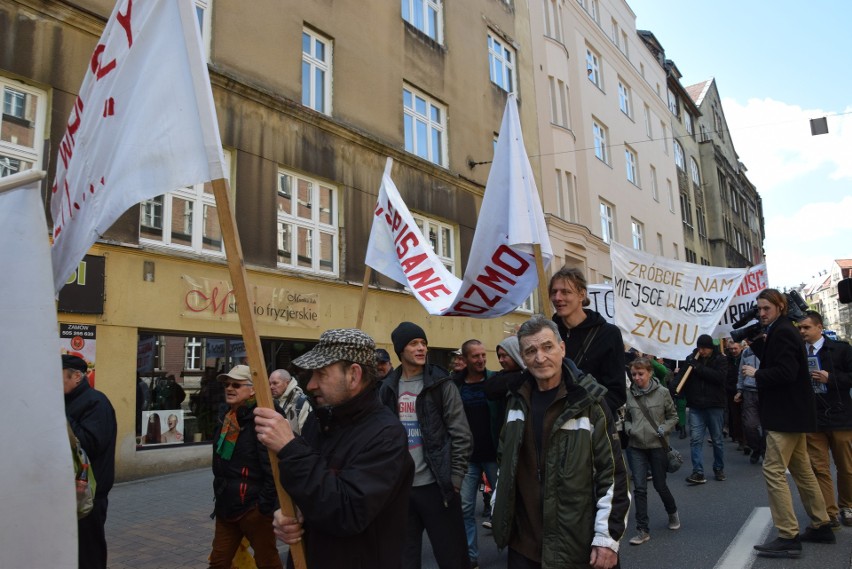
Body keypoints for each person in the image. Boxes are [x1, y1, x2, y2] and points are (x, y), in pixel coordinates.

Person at [254, 328, 414, 569]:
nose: (311, 384)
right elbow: (308, 486)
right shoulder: (324, 421)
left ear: (353, 375)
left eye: (321, 374)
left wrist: (290, 447)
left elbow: (347, 511)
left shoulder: (386, 435)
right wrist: (289, 511)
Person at [491, 316, 630, 569]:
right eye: (531, 351)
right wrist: (497, 509)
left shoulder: (589, 402)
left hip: (576, 546)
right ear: (523, 357)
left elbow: (613, 476)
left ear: (562, 348)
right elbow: (504, 464)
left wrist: (606, 538)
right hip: (524, 547)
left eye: (547, 347)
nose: (540, 358)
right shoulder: (515, 401)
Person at [743, 289, 834, 558]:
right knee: (802, 470)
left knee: (773, 471)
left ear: (780, 306)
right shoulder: (783, 329)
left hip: (785, 415)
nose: (761, 313)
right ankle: (821, 524)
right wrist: (756, 342)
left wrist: (757, 373)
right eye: (759, 309)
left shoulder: (782, 331)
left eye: (765, 309)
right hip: (794, 414)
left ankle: (787, 535)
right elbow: (781, 361)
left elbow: (785, 372)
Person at [380, 321, 472, 569]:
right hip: (402, 489)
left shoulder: (441, 384)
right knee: (404, 559)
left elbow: (461, 434)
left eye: (423, 343)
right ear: (401, 350)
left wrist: (454, 479)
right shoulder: (387, 388)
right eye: (414, 344)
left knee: (452, 557)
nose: (421, 348)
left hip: (437, 486)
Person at [208, 365, 282, 569]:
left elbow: (272, 468)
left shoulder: (263, 419)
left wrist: (263, 507)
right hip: (226, 506)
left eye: (236, 384)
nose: (229, 388)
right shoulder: (228, 417)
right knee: (218, 562)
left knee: (267, 562)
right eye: (227, 384)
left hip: (253, 509)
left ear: (252, 390)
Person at [63, 354, 117, 569]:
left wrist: (63, 418)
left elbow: (90, 444)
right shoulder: (69, 400)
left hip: (89, 496)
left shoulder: (96, 402)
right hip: (71, 493)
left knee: (88, 554)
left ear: (77, 376)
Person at [799, 310, 852, 528]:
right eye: (799, 328)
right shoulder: (799, 353)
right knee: (818, 468)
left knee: (846, 466)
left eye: (806, 327)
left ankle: (847, 505)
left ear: (819, 327)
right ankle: (829, 513)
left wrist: (831, 378)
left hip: (840, 417)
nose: (802, 331)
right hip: (814, 418)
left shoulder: (840, 349)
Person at [549, 266, 626, 414]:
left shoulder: (608, 334)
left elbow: (616, 393)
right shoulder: (547, 333)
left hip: (588, 425)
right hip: (552, 422)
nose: (557, 298)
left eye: (565, 292)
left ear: (581, 295)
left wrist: (584, 416)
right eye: (554, 292)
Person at [451, 339, 501, 568]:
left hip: (494, 455)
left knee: (504, 506)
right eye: (475, 356)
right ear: (465, 359)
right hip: (467, 458)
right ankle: (470, 558)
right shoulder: (455, 385)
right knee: (464, 508)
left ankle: (518, 551)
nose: (481, 359)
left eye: (483, 355)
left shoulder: (495, 380)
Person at [624, 357, 680, 545]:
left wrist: (665, 427)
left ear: (650, 373)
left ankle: (672, 511)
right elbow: (626, 418)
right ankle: (642, 530)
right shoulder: (629, 394)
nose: (637, 378)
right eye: (633, 375)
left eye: (640, 374)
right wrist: (629, 429)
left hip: (657, 446)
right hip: (636, 446)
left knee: (659, 484)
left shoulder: (663, 392)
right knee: (639, 488)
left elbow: (673, 416)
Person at [678, 334, 728, 484]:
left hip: (714, 405)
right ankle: (698, 471)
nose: (702, 351)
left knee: (717, 440)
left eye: (705, 348)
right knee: (695, 440)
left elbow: (719, 378)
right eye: (700, 348)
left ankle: (718, 468)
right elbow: (683, 377)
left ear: (711, 348)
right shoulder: (691, 359)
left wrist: (698, 367)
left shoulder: (720, 360)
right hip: (696, 405)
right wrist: (676, 390)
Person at [734, 340, 764, 464]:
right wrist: (739, 389)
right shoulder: (746, 352)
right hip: (749, 392)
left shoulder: (768, 349)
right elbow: (741, 373)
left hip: (765, 391)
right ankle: (757, 448)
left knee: (767, 427)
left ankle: (765, 450)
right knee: (749, 425)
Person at [269, 369, 310, 435]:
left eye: (275, 383)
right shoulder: (271, 402)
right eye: (270, 384)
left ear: (287, 383)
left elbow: (307, 437)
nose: (271, 387)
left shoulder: (301, 403)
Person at [724, 339, 745, 448]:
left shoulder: (745, 358)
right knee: (735, 416)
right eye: (731, 349)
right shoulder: (727, 359)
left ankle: (746, 439)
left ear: (741, 348)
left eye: (735, 348)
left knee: (745, 416)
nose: (733, 351)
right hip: (731, 390)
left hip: (744, 390)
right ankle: (740, 439)